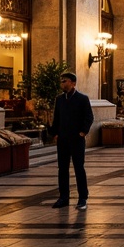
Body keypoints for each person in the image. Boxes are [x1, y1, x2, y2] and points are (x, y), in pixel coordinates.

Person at [49, 71, 94, 210]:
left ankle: (82, 198)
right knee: (62, 169)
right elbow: (57, 118)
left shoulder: (82, 99)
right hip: (62, 140)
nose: (62, 83)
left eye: (65, 81)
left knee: (78, 168)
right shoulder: (60, 99)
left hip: (76, 139)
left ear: (73, 83)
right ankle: (63, 198)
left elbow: (89, 117)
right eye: (61, 81)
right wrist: (55, 133)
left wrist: (82, 132)